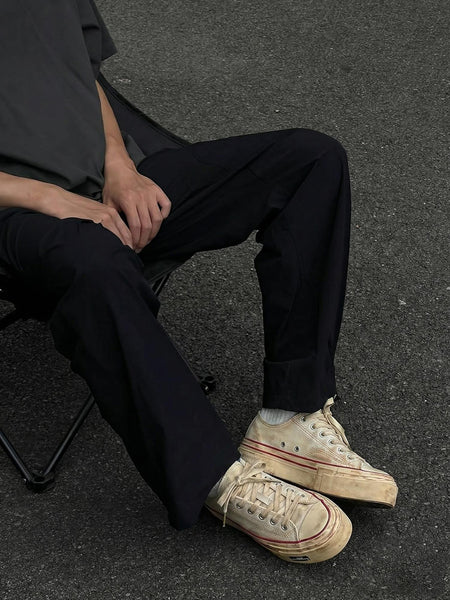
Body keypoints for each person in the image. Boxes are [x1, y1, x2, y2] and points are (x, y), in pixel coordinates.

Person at [0, 0, 397, 563]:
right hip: (16, 218)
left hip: (101, 188)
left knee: (310, 161)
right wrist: (46, 198)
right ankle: (214, 477)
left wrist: (120, 166)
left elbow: (82, 73)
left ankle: (289, 419)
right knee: (95, 265)